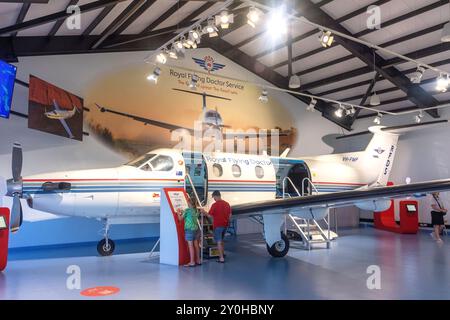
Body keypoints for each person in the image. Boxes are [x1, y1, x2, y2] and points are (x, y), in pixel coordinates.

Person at [203, 190, 231, 263]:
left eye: (214, 197)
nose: (214, 199)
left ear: (216, 196)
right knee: (221, 240)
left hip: (218, 225)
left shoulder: (214, 205)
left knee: (218, 241)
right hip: (225, 225)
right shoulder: (227, 204)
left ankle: (221, 258)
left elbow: (209, 215)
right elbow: (230, 215)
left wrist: (204, 212)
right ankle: (223, 253)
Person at [177, 200, 201, 267]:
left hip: (189, 229)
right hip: (196, 229)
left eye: (187, 202)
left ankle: (192, 262)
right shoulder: (196, 210)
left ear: (189, 203)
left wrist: (178, 213)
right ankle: (198, 260)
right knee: (196, 245)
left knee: (191, 246)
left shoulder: (187, 210)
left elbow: (180, 219)